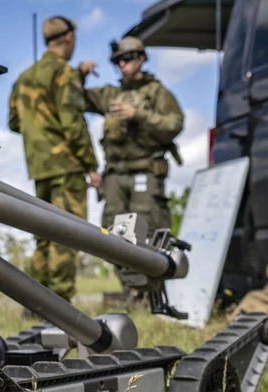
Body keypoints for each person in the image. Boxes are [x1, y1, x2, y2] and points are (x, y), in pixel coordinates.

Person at [8, 15, 101, 306]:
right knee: (67, 235)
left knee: (43, 237)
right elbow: (73, 123)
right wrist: (91, 165)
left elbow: (14, 122)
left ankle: (34, 304)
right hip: (67, 167)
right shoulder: (64, 72)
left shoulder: (24, 78)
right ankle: (60, 306)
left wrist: (40, 126)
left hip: (39, 168)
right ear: (69, 38)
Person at [84, 36, 183, 290]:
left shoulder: (157, 93)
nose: (122, 65)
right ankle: (130, 292)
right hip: (115, 176)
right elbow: (75, 97)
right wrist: (79, 73)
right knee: (112, 235)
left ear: (141, 58)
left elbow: (174, 124)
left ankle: (152, 292)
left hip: (145, 172)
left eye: (127, 59)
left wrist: (138, 115)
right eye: (117, 61)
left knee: (147, 232)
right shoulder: (110, 94)